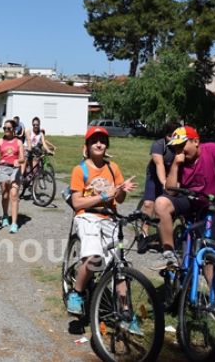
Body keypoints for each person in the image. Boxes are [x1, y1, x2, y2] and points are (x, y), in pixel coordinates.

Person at [65, 126, 138, 316]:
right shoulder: (79, 170)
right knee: (94, 258)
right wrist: (104, 196)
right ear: (87, 146)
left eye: (103, 141)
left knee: (119, 265)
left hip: (109, 218)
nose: (99, 144)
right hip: (87, 216)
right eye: (94, 141)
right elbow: (76, 202)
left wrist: (121, 190)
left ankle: (125, 311)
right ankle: (76, 293)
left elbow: (119, 199)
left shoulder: (113, 168)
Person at [154, 126, 215, 268]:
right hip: (190, 201)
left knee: (207, 257)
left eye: (182, 145)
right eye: (175, 147)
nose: (179, 151)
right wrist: (175, 165)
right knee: (161, 203)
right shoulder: (179, 161)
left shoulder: (212, 150)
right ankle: (169, 254)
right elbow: (170, 191)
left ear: (196, 141)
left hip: (213, 206)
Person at [136, 122, 179, 253]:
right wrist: (164, 183)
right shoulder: (159, 145)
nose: (173, 139)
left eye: (176, 136)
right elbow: (159, 165)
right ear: (166, 136)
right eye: (170, 136)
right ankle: (143, 234)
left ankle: (164, 237)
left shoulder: (181, 146)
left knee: (164, 207)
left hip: (171, 177)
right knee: (149, 204)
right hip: (154, 176)